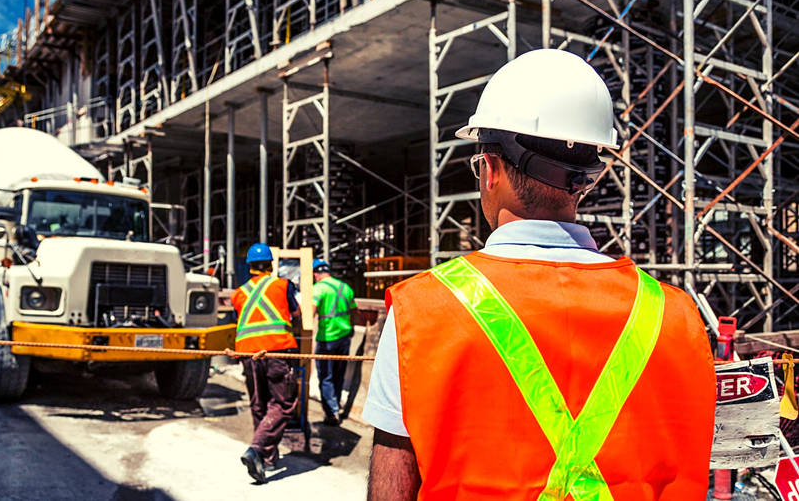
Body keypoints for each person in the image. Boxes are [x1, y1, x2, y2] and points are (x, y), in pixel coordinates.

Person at [362, 49, 715, 500]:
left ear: (489, 169)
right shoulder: (675, 314)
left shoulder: (421, 312)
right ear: (585, 179)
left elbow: (392, 485)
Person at [230, 243, 301, 484]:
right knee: (284, 403)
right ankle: (257, 449)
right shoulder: (282, 285)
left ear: (250, 266)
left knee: (259, 404)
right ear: (271, 265)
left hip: (248, 355)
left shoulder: (238, 294)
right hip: (276, 351)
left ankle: (267, 459)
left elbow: (241, 320)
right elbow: (296, 313)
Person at [311, 258, 357, 425]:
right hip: (344, 338)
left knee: (326, 377)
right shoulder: (345, 287)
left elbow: (311, 312)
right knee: (338, 375)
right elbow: (354, 311)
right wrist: (350, 327)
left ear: (316, 274)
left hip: (327, 339)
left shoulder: (318, 288)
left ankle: (332, 413)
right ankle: (336, 406)